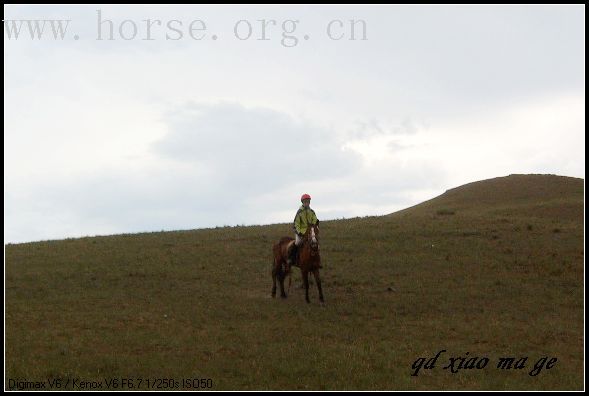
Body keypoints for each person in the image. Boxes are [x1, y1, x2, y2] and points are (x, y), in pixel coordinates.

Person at [286, 193, 319, 270]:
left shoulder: (312, 212)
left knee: (316, 243)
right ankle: (291, 258)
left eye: (308, 201)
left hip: (310, 232)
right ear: (302, 202)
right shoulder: (299, 212)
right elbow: (296, 223)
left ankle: (317, 261)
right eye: (305, 201)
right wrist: (299, 232)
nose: (307, 203)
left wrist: (315, 224)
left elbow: (314, 220)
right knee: (297, 243)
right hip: (300, 232)